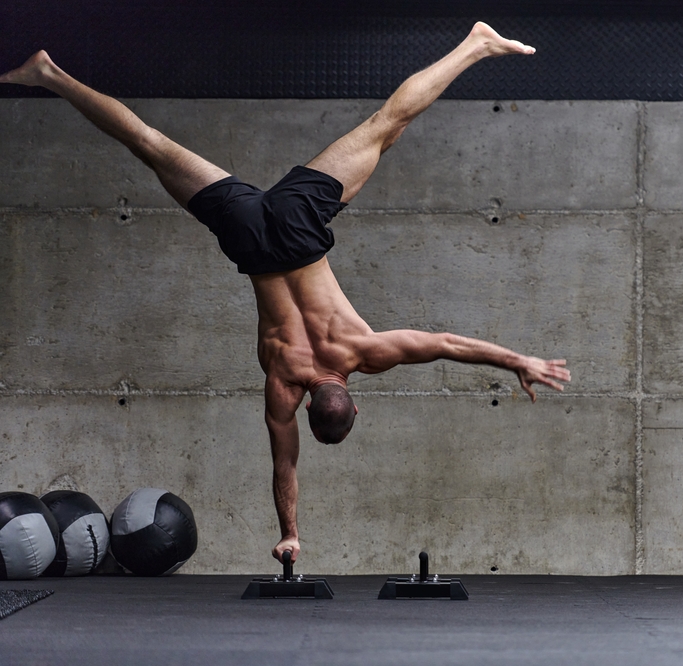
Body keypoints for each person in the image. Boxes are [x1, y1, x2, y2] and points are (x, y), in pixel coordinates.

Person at [1, 22, 571, 563]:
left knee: (386, 123)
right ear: (307, 406)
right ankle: (50, 75)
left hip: (300, 227)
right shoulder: (282, 385)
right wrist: (289, 534)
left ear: (354, 398)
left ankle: (474, 44)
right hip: (249, 239)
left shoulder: (363, 354)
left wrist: (517, 359)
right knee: (148, 143)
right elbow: (285, 466)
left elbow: (447, 343)